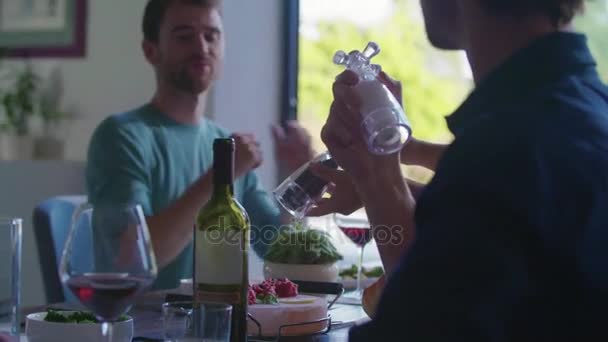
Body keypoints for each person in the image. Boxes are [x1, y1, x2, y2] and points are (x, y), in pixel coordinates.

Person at [314, 0, 608, 340]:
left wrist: (377, 178)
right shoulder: (583, 112)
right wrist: (377, 174)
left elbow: (417, 329)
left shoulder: (507, 149)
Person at [85, 0, 314, 290]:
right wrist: (220, 176)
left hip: (216, 322)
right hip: (138, 327)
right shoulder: (120, 137)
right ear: (150, 51)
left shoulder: (225, 144)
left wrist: (298, 181)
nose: (202, 47)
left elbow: (277, 251)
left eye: (211, 35)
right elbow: (135, 259)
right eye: (184, 36)